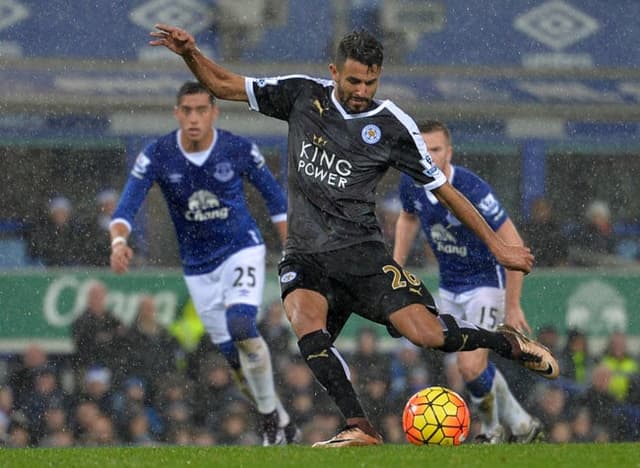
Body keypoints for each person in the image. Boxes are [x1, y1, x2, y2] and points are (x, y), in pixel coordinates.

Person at [148, 24, 558, 448]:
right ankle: (361, 426)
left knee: (429, 335)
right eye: (354, 80)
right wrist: (189, 53)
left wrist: (498, 247)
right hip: (305, 252)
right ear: (334, 72)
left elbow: (443, 190)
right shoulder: (302, 95)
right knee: (305, 324)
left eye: (370, 82)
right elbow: (224, 84)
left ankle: (508, 344)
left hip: (361, 253)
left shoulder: (393, 125)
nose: (362, 90)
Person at [109, 81, 298, 446]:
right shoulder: (158, 155)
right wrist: (119, 242)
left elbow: (275, 200)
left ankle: (270, 425)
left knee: (242, 324)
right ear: (176, 113)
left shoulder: (237, 148)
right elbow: (126, 207)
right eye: (187, 111)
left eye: (201, 110)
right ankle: (280, 418)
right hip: (198, 267)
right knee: (234, 358)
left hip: (241, 248)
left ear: (214, 112)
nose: (194, 118)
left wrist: (291, 249)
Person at [393, 120, 544, 444]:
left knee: (470, 365)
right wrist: (396, 265)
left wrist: (513, 304)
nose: (429, 157)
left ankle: (492, 432)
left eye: (436, 149)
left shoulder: (473, 189)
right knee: (467, 367)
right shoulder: (410, 182)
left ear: (449, 151)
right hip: (448, 288)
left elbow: (514, 243)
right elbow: (408, 217)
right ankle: (521, 424)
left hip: (485, 285)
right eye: (424, 149)